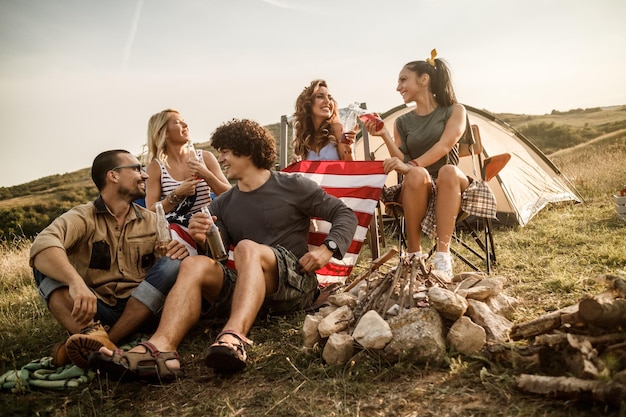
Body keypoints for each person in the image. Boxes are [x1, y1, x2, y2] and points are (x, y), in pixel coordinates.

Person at [91, 119, 358, 380]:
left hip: (293, 284)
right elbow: (216, 259)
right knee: (194, 264)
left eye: (227, 152)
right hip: (247, 287)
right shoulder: (224, 203)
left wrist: (327, 249)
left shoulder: (292, 185)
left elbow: (344, 214)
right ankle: (161, 349)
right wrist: (201, 238)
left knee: (246, 248)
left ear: (248, 150)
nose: (221, 160)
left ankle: (234, 336)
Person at [30, 150, 189, 369]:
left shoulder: (152, 220)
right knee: (43, 266)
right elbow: (43, 244)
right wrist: (75, 282)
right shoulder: (82, 216)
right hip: (95, 311)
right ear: (113, 176)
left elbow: (164, 268)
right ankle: (98, 340)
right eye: (136, 169)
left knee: (172, 263)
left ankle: (104, 343)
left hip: (143, 309)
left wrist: (174, 253)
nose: (145, 175)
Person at [363, 49, 493, 279]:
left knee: (448, 170)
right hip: (418, 187)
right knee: (415, 175)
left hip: (451, 186)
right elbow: (402, 160)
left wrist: (410, 165)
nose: (398, 87)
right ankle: (415, 256)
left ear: (424, 80)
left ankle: (443, 258)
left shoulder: (455, 110)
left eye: (403, 79)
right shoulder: (403, 121)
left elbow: (445, 145)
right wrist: (384, 135)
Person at [143, 109, 231, 254]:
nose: (185, 124)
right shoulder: (155, 167)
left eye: (184, 120)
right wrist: (177, 194)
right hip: (178, 235)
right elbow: (151, 212)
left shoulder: (205, 157)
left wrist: (207, 175)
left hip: (209, 226)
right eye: (178, 122)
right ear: (163, 132)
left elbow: (230, 195)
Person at [291, 79, 356, 163]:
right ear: (308, 104)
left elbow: (350, 168)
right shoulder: (302, 137)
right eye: (320, 96)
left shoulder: (338, 129)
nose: (327, 101)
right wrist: (294, 165)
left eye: (330, 97)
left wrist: (348, 150)